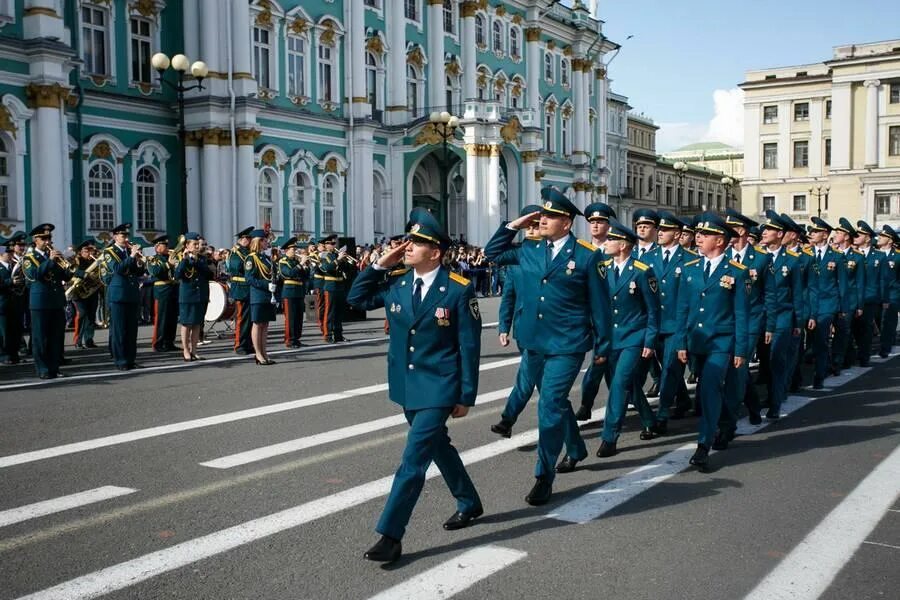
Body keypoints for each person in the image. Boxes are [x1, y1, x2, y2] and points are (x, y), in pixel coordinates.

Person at [348, 208, 483, 564]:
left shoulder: (457, 289)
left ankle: (390, 535)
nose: (406, 246)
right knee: (439, 447)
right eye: (407, 240)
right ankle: (469, 501)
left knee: (413, 460)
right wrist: (378, 264)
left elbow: (469, 346)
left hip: (440, 386)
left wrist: (465, 394)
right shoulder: (397, 283)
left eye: (417, 242)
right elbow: (356, 300)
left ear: (435, 251)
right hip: (408, 384)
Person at [484, 188, 610, 505]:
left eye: (551, 215)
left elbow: (600, 307)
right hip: (533, 342)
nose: (543, 219)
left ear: (566, 223)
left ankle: (544, 475)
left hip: (567, 344)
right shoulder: (529, 249)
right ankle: (577, 447)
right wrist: (514, 224)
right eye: (543, 213)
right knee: (554, 402)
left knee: (549, 405)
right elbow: (492, 253)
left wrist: (603, 347)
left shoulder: (586, 256)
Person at [675, 214, 750, 469]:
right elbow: (682, 309)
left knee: (708, 388)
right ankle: (727, 423)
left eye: (704, 235)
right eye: (698, 234)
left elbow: (741, 313)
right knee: (716, 391)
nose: (698, 238)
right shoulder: (690, 268)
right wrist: (681, 342)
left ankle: (703, 446)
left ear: (720, 241)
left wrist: (740, 348)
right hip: (696, 341)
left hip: (721, 341)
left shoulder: (737, 272)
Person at [594, 219, 660, 455]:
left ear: (623, 244)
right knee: (626, 384)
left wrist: (650, 341)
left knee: (620, 384)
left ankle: (610, 437)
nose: (606, 242)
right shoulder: (604, 269)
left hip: (634, 336)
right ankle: (650, 420)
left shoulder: (642, 271)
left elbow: (653, 310)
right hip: (611, 338)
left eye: (611, 239)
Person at [491, 205, 547, 437]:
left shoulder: (551, 253)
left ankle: (508, 419)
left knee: (531, 378)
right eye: (528, 226)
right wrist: (504, 326)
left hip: (547, 329)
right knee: (539, 381)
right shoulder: (517, 256)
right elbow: (509, 296)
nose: (532, 229)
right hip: (523, 329)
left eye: (537, 224)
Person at [645, 211, 694, 434]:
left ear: (677, 234)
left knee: (671, 370)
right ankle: (683, 400)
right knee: (667, 368)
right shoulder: (648, 258)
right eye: (659, 229)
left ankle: (662, 413)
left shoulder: (690, 259)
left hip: (677, 325)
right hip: (655, 324)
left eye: (665, 230)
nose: (660, 232)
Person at [720, 208, 768, 433]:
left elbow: (770, 293)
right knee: (736, 369)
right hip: (726, 322)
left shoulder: (760, 258)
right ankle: (754, 405)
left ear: (741, 231)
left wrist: (771, 324)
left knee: (737, 369)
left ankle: (729, 420)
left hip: (750, 321)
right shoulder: (724, 257)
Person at [760, 211, 805, 421]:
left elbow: (797, 293)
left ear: (780, 234)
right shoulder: (758, 257)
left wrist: (798, 322)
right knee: (764, 364)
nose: (764, 232)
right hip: (760, 318)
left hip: (782, 317)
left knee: (777, 361)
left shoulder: (793, 261)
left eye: (769, 229)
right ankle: (768, 396)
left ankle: (775, 403)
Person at [574, 201, 617, 421]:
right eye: (592, 221)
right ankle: (587, 405)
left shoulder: (616, 250)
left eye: (600, 221)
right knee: (600, 363)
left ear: (609, 225)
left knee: (604, 364)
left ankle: (589, 405)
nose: (595, 225)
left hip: (613, 318)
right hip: (588, 317)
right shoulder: (581, 251)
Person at [21, 224, 80, 379]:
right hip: (40, 303)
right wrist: (51, 261)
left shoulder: (53, 256)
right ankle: (43, 369)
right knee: (41, 338)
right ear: (36, 240)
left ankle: (54, 368)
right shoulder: (29, 258)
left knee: (56, 337)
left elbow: (65, 277)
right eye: (44, 238)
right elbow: (34, 275)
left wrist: (69, 266)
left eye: (49, 238)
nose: (48, 241)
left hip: (56, 301)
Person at [806, 217, 848, 389]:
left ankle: (819, 376)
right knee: (811, 341)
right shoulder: (806, 254)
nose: (811, 234)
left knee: (821, 339)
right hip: (809, 303)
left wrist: (842, 308)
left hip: (827, 303)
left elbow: (843, 284)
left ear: (824, 234)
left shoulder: (836, 256)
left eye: (815, 232)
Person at [101, 223, 145, 371]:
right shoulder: (109, 252)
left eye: (127, 235)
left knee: (132, 330)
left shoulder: (128, 251)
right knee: (119, 330)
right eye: (122, 235)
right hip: (118, 295)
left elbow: (138, 273)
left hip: (132, 293)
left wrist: (139, 262)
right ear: (115, 237)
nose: (126, 238)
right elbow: (117, 269)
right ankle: (121, 361)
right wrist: (132, 255)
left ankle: (131, 359)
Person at [852, 220, 888, 367]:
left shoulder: (879, 256)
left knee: (866, 327)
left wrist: (884, 298)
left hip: (870, 297)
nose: (855, 237)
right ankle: (854, 354)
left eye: (859, 235)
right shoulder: (851, 254)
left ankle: (864, 356)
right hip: (853, 297)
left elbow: (883, 279)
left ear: (867, 237)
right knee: (853, 328)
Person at [830, 218, 864, 372]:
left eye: (838, 233)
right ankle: (847, 356)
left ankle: (838, 362)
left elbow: (859, 283)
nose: (835, 235)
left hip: (849, 301)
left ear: (846, 236)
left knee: (843, 332)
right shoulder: (833, 254)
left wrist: (859, 305)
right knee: (840, 332)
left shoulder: (857, 257)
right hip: (833, 299)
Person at [174, 233, 212, 361]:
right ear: (187, 245)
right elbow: (177, 275)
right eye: (194, 244)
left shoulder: (201, 259)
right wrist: (185, 260)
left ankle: (194, 350)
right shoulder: (181, 257)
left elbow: (209, 273)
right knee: (187, 324)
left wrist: (196, 262)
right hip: (188, 296)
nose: (197, 247)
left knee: (197, 324)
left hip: (200, 295)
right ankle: (185, 350)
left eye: (198, 244)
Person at [245, 229, 277, 365]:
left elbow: (272, 274)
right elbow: (249, 279)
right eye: (264, 240)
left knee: (265, 324)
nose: (266, 242)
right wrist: (266, 284)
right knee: (258, 324)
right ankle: (258, 354)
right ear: (258, 242)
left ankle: (264, 352)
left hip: (268, 295)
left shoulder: (265, 257)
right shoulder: (251, 258)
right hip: (258, 295)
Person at [146, 235, 179, 352]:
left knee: (172, 318)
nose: (167, 247)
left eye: (167, 245)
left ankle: (169, 342)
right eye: (165, 245)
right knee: (162, 318)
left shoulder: (170, 257)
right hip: (162, 290)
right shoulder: (153, 259)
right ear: (157, 247)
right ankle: (158, 343)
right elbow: (155, 271)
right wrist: (168, 264)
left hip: (173, 289)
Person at [1, 234, 29, 365]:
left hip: (16, 304)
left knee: (15, 331)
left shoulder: (14, 266)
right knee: (4, 333)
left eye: (12, 251)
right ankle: (4, 355)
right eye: (8, 252)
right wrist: (10, 281)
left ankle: (14, 354)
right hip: (3, 305)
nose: (11, 254)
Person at [227, 227, 255, 355]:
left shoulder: (248, 252)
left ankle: (248, 344)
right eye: (248, 238)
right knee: (241, 319)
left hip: (249, 289)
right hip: (240, 289)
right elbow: (235, 267)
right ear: (242, 239)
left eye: (250, 238)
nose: (250, 241)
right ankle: (239, 345)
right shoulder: (236, 252)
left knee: (249, 319)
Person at [278, 237, 308, 348]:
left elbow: (305, 276)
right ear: (286, 250)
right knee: (291, 318)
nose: (295, 251)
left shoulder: (296, 261)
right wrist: (301, 265)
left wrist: (305, 267)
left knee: (299, 317)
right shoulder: (283, 261)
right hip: (289, 292)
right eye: (293, 249)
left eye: (295, 249)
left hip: (299, 291)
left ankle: (296, 339)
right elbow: (288, 273)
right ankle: (290, 340)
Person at [318, 235, 348, 343]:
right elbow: (326, 268)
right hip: (330, 286)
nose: (334, 245)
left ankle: (338, 334)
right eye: (331, 243)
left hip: (339, 285)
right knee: (330, 312)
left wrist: (345, 260)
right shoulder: (323, 256)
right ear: (326, 245)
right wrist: (338, 260)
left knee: (339, 312)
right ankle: (328, 334)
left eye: (334, 243)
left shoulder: (336, 255)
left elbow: (345, 269)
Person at [70, 240, 100, 350]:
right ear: (80, 252)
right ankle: (78, 340)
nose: (89, 253)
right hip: (78, 293)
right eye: (86, 251)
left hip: (92, 292)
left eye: (91, 250)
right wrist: (86, 275)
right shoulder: (75, 261)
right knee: (82, 314)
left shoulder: (94, 261)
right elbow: (70, 273)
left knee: (91, 316)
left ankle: (89, 339)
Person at [877, 225, 899, 357]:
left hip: (892, 294)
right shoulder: (876, 255)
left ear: (890, 240)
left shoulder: (897, 256)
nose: (879, 237)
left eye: (883, 236)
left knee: (888, 321)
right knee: (878, 321)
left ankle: (886, 347)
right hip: (877, 293)